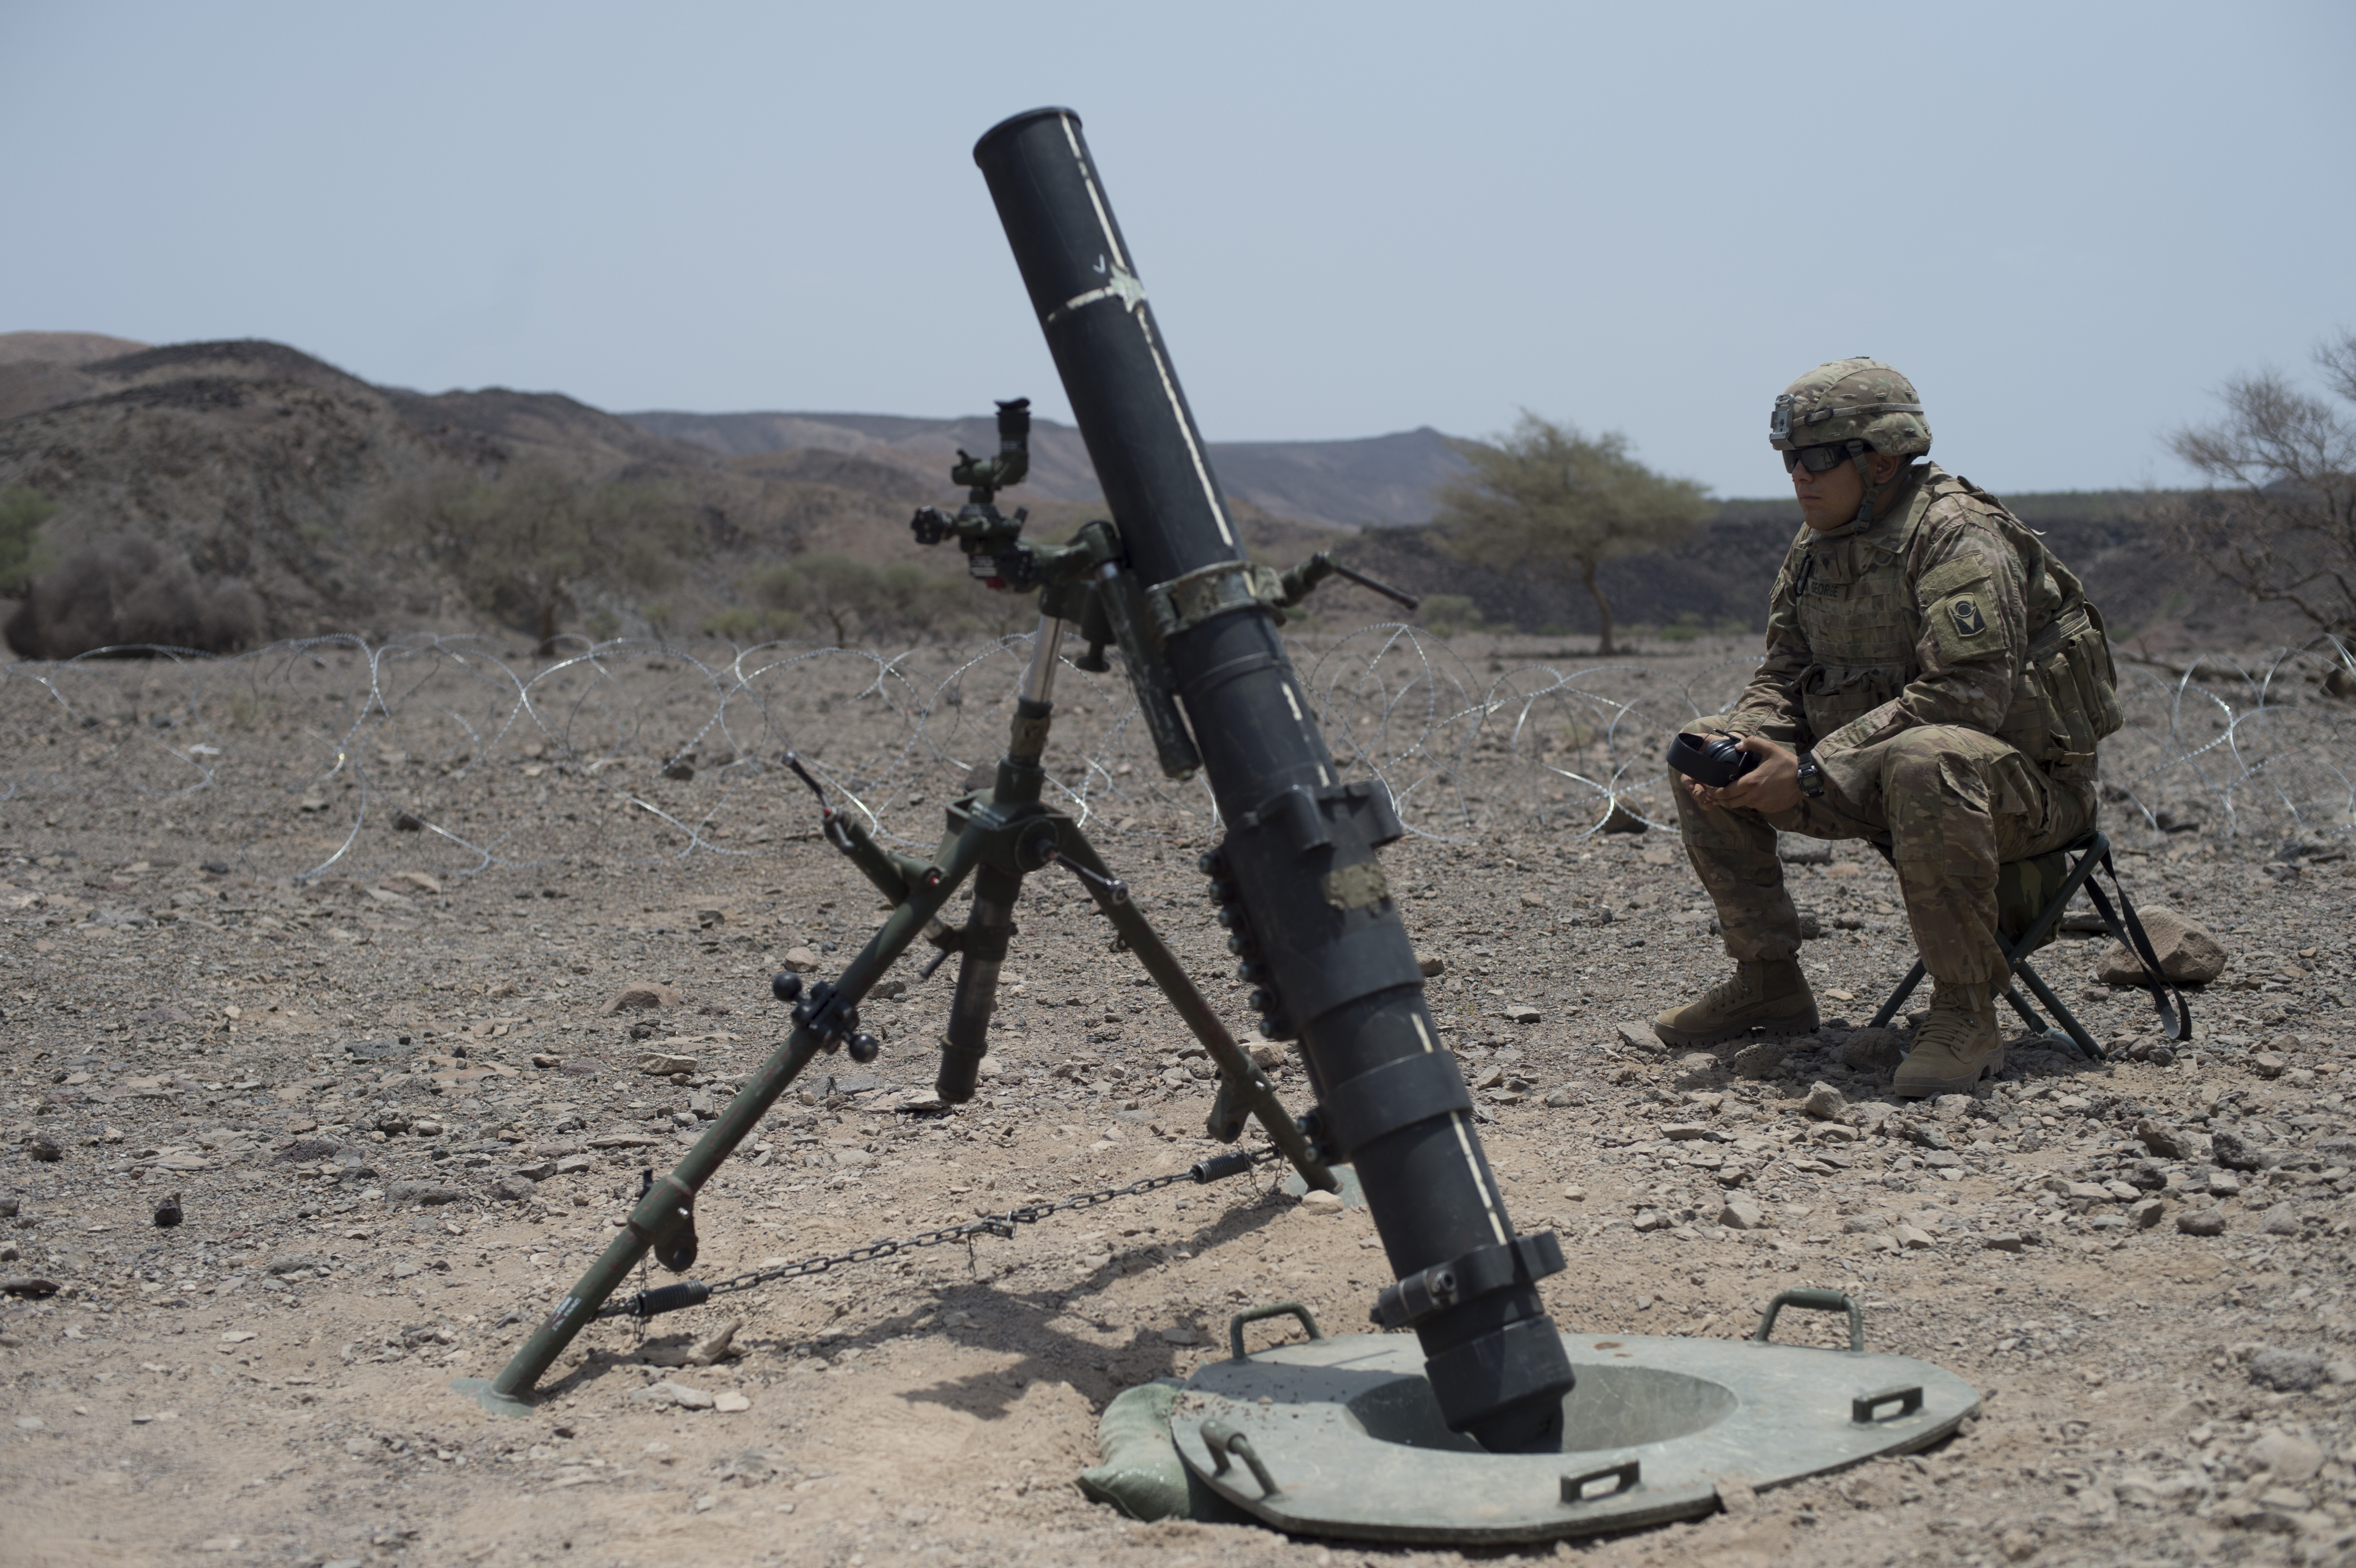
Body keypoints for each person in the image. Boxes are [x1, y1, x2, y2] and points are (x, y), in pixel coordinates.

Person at [1652, 358, 2117, 1097]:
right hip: (1869, 777)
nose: (1798, 476)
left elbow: (1969, 695)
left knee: (1928, 756)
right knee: (1709, 744)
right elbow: (1783, 672)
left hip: (2016, 794)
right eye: (1788, 460)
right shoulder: (1816, 545)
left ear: (1882, 458)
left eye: (1816, 459)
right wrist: (1750, 745)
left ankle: (1967, 1013)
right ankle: (1767, 979)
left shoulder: (1955, 534)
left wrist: (1807, 770)